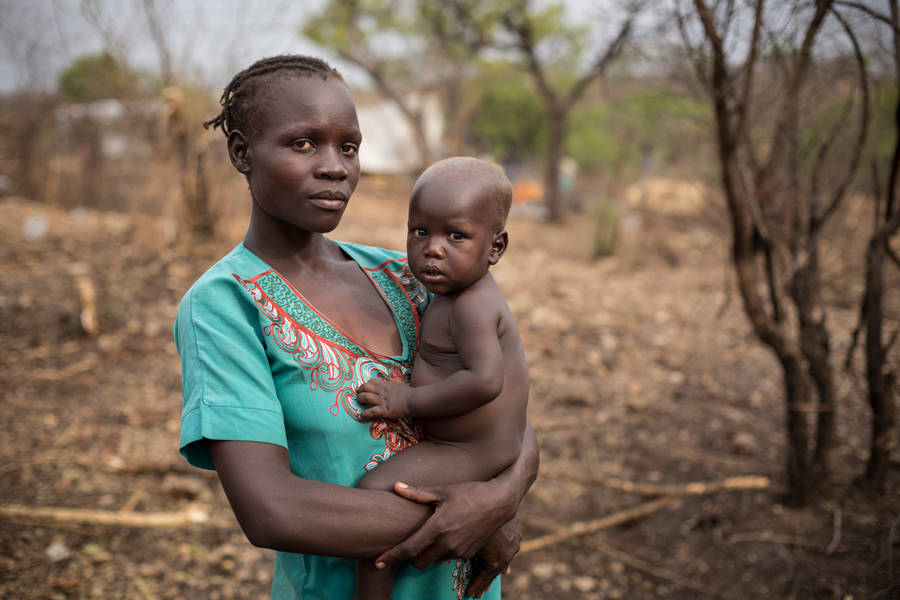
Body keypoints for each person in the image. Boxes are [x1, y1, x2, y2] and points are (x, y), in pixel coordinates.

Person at [173, 55, 539, 600]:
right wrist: (467, 518)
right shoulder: (226, 305)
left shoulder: (411, 274)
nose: (335, 168)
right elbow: (271, 509)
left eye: (348, 147)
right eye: (303, 144)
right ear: (242, 152)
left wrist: (499, 500)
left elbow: (510, 409)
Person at [352, 157, 529, 599]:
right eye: (420, 231)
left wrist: (407, 401)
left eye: (456, 236)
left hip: (471, 449)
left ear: (495, 247)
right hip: (475, 444)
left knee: (372, 495)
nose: (433, 248)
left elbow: (485, 381)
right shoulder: (453, 292)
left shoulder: (472, 305)